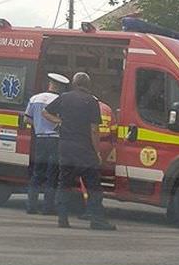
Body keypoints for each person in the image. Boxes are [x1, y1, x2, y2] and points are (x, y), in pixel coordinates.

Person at [43, 72, 116, 231]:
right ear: (88, 85)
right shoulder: (91, 101)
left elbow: (46, 112)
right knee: (93, 185)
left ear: (74, 83)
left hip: (66, 147)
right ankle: (97, 220)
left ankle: (62, 219)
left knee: (64, 183)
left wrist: (60, 121)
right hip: (84, 149)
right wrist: (96, 152)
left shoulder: (64, 97)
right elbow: (94, 129)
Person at [23, 73, 69, 215]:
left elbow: (26, 118)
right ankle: (48, 207)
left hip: (40, 139)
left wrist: (38, 125)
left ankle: (31, 206)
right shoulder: (60, 100)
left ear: (49, 83)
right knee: (52, 174)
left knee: (37, 173)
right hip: (55, 140)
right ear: (59, 86)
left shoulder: (35, 98)